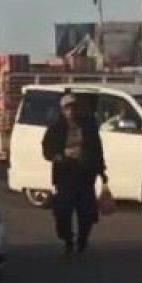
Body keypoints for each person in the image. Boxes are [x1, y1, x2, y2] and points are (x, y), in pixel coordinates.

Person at [41, 93, 108, 257]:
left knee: (87, 212)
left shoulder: (88, 127)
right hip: (65, 175)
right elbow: (47, 149)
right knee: (62, 211)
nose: (71, 111)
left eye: (73, 107)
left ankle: (82, 241)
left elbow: (97, 149)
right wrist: (58, 156)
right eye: (67, 108)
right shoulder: (56, 128)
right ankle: (68, 241)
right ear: (62, 110)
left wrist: (101, 171)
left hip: (85, 175)